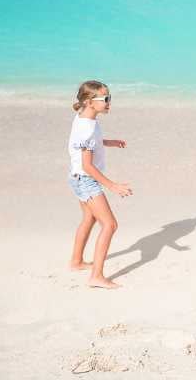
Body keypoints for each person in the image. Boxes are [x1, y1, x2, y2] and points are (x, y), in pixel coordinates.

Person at [67, 80, 133, 289]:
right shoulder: (87, 127)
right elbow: (88, 165)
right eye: (105, 99)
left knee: (89, 218)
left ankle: (76, 262)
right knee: (110, 224)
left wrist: (109, 142)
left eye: (109, 98)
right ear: (89, 101)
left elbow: (89, 143)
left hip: (76, 177)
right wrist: (113, 186)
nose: (109, 103)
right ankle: (96, 276)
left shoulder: (84, 119)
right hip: (86, 179)